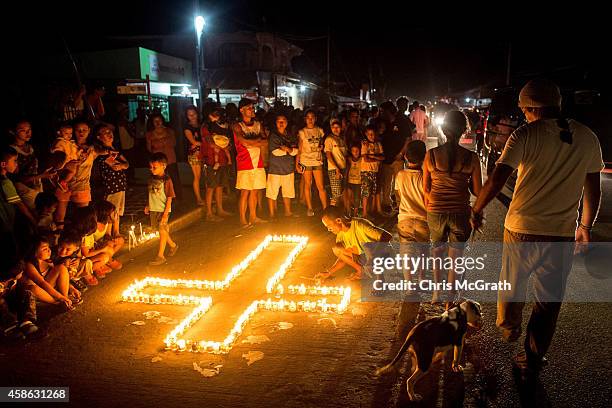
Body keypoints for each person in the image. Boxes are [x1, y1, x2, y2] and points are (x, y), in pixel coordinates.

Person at [471, 79, 604, 376]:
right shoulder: (587, 136)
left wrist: (477, 209)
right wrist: (585, 226)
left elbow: (496, 178)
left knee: (512, 285)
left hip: (520, 228)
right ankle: (532, 356)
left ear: (530, 108)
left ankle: (509, 328)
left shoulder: (524, 135)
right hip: (560, 234)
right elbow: (593, 189)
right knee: (548, 302)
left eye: (524, 110)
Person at [423, 110, 482, 305]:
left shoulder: (431, 155)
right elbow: (477, 191)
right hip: (460, 212)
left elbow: (426, 188)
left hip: (435, 211)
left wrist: (430, 208)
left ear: (442, 129)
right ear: (464, 130)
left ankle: (437, 293)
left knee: (437, 252)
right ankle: (450, 299)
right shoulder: (471, 158)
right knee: (457, 257)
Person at [318, 205, 392, 281]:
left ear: (338, 220)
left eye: (329, 226)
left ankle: (380, 280)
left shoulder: (360, 225)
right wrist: (328, 273)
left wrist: (373, 258)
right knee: (337, 249)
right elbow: (343, 258)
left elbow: (387, 236)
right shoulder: (340, 236)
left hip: (383, 256)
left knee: (367, 247)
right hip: (366, 259)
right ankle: (361, 271)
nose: (328, 229)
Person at [395, 140, 429, 277]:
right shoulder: (425, 177)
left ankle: (409, 284)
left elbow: (398, 197)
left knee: (406, 254)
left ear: (405, 157)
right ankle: (421, 279)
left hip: (405, 220)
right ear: (424, 157)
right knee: (423, 253)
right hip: (423, 220)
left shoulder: (400, 175)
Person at [233, 98, 268, 227]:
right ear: (241, 110)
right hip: (245, 162)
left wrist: (251, 143)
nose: (252, 110)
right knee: (245, 191)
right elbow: (243, 142)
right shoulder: (238, 126)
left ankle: (253, 217)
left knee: (254, 191)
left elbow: (265, 141)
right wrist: (256, 142)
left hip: (258, 162)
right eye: (249, 108)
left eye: (252, 107)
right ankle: (243, 219)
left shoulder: (258, 124)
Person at [23, 236, 79, 310]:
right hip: (41, 294)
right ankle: (57, 303)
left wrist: (71, 288)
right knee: (33, 289)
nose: (49, 250)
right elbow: (41, 283)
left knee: (61, 268)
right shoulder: (29, 266)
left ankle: (66, 299)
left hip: (50, 289)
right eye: (44, 249)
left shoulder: (48, 261)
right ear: (34, 252)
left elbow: (59, 277)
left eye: (48, 247)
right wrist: (60, 297)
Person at [92, 125, 129, 235]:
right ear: (98, 137)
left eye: (110, 132)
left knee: (117, 209)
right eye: (105, 132)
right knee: (110, 209)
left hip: (120, 184)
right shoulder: (99, 151)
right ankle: (107, 233)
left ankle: (116, 232)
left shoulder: (115, 150)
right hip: (111, 185)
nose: (109, 134)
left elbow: (127, 164)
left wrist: (122, 166)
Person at [9, 120, 52, 210]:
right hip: (24, 189)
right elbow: (17, 179)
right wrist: (42, 175)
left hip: (36, 185)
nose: (28, 133)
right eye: (22, 130)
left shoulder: (31, 147)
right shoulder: (11, 152)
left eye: (29, 129)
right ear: (12, 132)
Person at [145, 153, 179, 266]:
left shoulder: (167, 180)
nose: (152, 169)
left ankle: (160, 256)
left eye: (155, 167)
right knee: (162, 231)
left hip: (163, 210)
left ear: (163, 166)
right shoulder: (151, 179)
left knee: (162, 230)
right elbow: (150, 193)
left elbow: (169, 197)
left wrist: (165, 213)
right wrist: (148, 205)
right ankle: (173, 246)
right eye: (151, 167)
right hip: (154, 209)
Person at [200, 109, 233, 221]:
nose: (215, 117)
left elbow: (228, 141)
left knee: (219, 185)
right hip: (211, 161)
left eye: (217, 114)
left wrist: (227, 146)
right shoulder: (206, 127)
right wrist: (222, 145)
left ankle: (220, 209)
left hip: (222, 159)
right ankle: (209, 213)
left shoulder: (223, 126)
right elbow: (210, 142)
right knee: (211, 186)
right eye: (213, 114)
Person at [266, 114, 298, 218]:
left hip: (288, 168)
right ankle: (271, 214)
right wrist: (289, 151)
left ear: (286, 122)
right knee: (272, 192)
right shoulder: (273, 136)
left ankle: (288, 212)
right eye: (279, 121)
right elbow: (275, 152)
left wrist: (287, 149)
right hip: (275, 169)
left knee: (288, 192)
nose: (281, 123)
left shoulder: (290, 135)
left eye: (283, 121)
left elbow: (296, 151)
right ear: (276, 123)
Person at [297, 110, 328, 217]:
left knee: (321, 186)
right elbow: (299, 149)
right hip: (306, 160)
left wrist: (322, 147)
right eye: (308, 117)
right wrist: (297, 164)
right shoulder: (302, 132)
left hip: (317, 160)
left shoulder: (320, 130)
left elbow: (323, 143)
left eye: (312, 117)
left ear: (315, 118)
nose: (310, 119)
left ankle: (325, 209)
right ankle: (309, 208)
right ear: (305, 119)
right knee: (307, 185)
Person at [146, 113, 181, 202]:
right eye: (155, 121)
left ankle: (177, 198)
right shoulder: (149, 134)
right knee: (159, 180)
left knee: (174, 178)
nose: (157, 123)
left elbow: (174, 143)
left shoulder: (170, 131)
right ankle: (161, 198)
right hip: (158, 161)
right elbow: (149, 148)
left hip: (170, 158)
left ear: (162, 120)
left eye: (159, 120)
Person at [1, 261, 38, 339]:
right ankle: (9, 326)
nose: (22, 273)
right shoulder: (2, 284)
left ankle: (26, 321)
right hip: (3, 308)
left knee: (28, 294)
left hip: (11, 303)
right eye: (21, 272)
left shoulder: (15, 281)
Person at [360, 125, 384, 218]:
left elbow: (383, 157)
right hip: (366, 171)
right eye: (369, 134)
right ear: (366, 134)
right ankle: (365, 213)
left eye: (373, 134)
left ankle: (371, 211)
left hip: (375, 171)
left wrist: (373, 157)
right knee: (366, 192)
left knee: (373, 192)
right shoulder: (365, 144)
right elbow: (365, 159)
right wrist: (378, 159)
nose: (372, 136)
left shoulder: (378, 144)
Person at [183, 106, 204, 205]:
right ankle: (198, 198)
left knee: (204, 176)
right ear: (187, 116)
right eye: (189, 115)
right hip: (194, 154)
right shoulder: (187, 128)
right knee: (197, 176)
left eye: (193, 114)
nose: (192, 116)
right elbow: (193, 141)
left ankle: (203, 197)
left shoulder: (201, 125)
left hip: (203, 152)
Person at [324, 119, 348, 207]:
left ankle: (339, 213)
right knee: (336, 193)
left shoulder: (341, 139)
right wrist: (336, 168)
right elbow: (328, 154)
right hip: (334, 169)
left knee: (342, 192)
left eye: (337, 127)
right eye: (333, 127)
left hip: (343, 168)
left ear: (341, 128)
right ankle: (332, 214)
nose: (335, 129)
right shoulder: (329, 139)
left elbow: (344, 155)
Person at [344, 144, 362, 216]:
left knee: (357, 198)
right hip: (350, 181)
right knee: (349, 197)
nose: (355, 152)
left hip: (358, 182)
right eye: (354, 151)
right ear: (351, 152)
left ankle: (355, 213)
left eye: (357, 151)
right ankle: (349, 212)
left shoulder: (361, 159)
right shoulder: (349, 159)